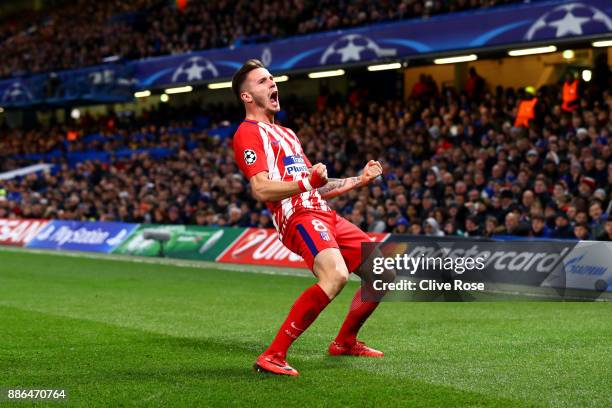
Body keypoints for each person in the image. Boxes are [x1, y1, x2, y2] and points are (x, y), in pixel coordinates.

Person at [231, 59, 385, 377]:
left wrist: (359, 179)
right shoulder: (248, 134)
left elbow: (317, 186)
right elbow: (260, 188)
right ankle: (273, 355)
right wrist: (306, 183)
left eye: (272, 79)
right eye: (262, 81)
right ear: (246, 96)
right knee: (335, 276)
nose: (273, 84)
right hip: (297, 217)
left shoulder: (287, 134)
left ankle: (344, 342)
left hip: (323, 213)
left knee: (381, 274)